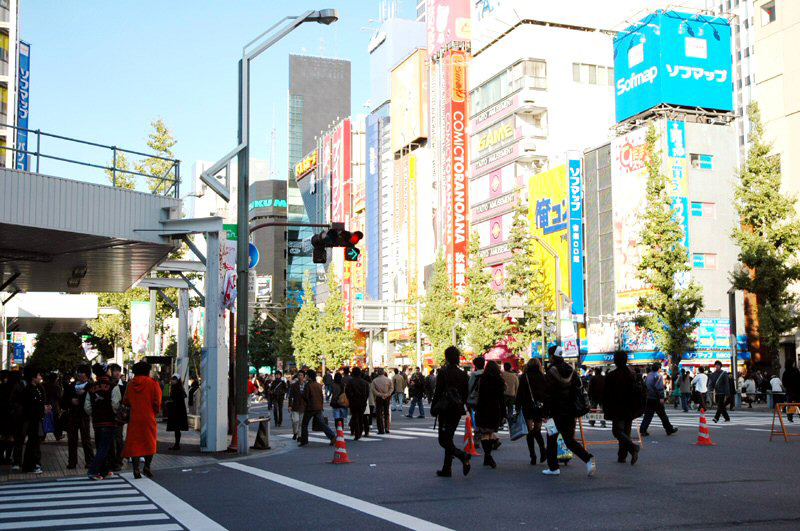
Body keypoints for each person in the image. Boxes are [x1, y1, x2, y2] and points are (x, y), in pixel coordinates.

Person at [543, 347, 596, 477]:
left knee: (551, 440)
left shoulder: (551, 371)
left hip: (555, 412)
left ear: (552, 356)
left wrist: (545, 412)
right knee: (569, 440)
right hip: (570, 411)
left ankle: (553, 468)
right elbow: (578, 389)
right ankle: (588, 459)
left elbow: (548, 394)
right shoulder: (571, 370)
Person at [431, 346, 471, 478]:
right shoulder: (463, 374)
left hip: (445, 409)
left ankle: (462, 455)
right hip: (457, 409)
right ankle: (446, 468)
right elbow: (466, 394)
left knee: (443, 440)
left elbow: (438, 392)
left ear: (446, 357)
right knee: (449, 437)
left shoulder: (443, 373)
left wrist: (434, 407)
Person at [602, 350, 644, 465]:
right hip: (631, 407)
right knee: (626, 431)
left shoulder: (612, 376)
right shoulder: (632, 374)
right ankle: (622, 456)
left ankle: (632, 448)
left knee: (617, 431)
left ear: (615, 360)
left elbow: (606, 395)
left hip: (617, 407)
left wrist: (606, 408)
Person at [122, 361, 162, 479]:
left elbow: (126, 401)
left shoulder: (130, 384)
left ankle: (136, 470)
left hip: (134, 418)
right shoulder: (153, 384)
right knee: (150, 443)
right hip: (148, 417)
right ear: (147, 371)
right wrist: (154, 412)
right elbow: (157, 402)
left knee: (135, 443)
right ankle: (147, 468)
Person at [84, 363, 121, 480]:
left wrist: (95, 414)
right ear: (106, 371)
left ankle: (104, 470)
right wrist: (115, 414)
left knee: (101, 446)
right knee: (104, 448)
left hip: (96, 422)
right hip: (109, 421)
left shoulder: (91, 387)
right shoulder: (113, 386)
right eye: (109, 370)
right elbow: (115, 405)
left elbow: (87, 407)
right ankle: (93, 471)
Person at [62, 365, 94, 470]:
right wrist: (71, 401)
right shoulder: (72, 385)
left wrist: (83, 396)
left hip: (84, 416)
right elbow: (64, 400)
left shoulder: (90, 386)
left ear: (87, 374)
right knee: (72, 440)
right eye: (79, 372)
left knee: (86, 440)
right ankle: (72, 462)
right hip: (72, 415)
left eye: (82, 372)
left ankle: (89, 461)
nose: (80, 374)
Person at [516, 359, 547, 465]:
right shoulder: (543, 377)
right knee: (537, 430)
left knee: (529, 432)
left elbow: (520, 393)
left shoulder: (524, 377)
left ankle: (533, 456)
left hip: (527, 406)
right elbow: (546, 394)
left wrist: (517, 406)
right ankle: (543, 450)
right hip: (540, 407)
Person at [475, 360, 505, 469]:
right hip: (494, 408)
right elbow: (502, 398)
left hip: (483, 408)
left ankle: (487, 456)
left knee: (484, 433)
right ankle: (488, 457)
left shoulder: (482, 379)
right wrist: (504, 413)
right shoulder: (499, 380)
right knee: (491, 432)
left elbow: (479, 394)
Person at [639, 362, 678, 436]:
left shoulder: (648, 376)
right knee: (662, 415)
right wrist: (661, 397)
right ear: (658, 368)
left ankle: (643, 430)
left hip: (649, 397)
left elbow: (645, 386)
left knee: (648, 415)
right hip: (656, 398)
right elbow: (659, 388)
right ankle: (669, 429)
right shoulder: (658, 376)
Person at [20, 366, 46, 474]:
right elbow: (29, 406)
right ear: (33, 377)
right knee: (33, 443)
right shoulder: (28, 390)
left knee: (34, 442)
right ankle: (31, 465)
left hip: (37, 419)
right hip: (32, 420)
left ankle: (30, 465)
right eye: (38, 375)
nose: (40, 377)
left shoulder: (38, 388)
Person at [299, 369, 336, 446]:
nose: (306, 377)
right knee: (322, 424)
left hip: (310, 408)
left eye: (307, 376)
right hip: (318, 407)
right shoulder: (318, 385)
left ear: (309, 377)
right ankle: (332, 436)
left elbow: (305, 397)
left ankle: (304, 441)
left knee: (304, 424)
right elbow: (321, 397)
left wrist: (302, 395)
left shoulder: (308, 385)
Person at [346, 367, 370, 439]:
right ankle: (360, 431)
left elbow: (347, 392)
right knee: (361, 417)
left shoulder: (351, 382)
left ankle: (357, 433)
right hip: (362, 402)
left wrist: (351, 398)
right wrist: (364, 399)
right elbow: (367, 393)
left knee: (355, 417)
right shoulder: (365, 382)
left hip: (353, 402)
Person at [166, 375, 188, 450]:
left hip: (177, 411)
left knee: (177, 428)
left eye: (174, 379)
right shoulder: (177, 388)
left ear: (177, 381)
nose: (172, 381)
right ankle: (176, 444)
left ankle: (177, 444)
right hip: (178, 410)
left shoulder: (177, 389)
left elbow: (178, 398)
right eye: (172, 379)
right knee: (177, 429)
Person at [371, 368, 393, 434]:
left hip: (379, 398)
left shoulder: (375, 380)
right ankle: (387, 428)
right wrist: (387, 394)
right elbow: (392, 388)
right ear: (383, 372)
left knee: (379, 413)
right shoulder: (388, 380)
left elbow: (373, 390)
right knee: (386, 413)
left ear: (378, 373)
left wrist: (380, 394)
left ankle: (381, 429)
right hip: (387, 397)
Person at [287, 372, 306, 440]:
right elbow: (290, 396)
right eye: (299, 375)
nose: (300, 376)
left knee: (301, 422)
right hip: (295, 405)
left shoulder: (306, 385)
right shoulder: (294, 385)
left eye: (301, 375)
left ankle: (299, 436)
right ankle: (295, 432)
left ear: (304, 376)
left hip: (303, 406)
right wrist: (290, 405)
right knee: (295, 421)